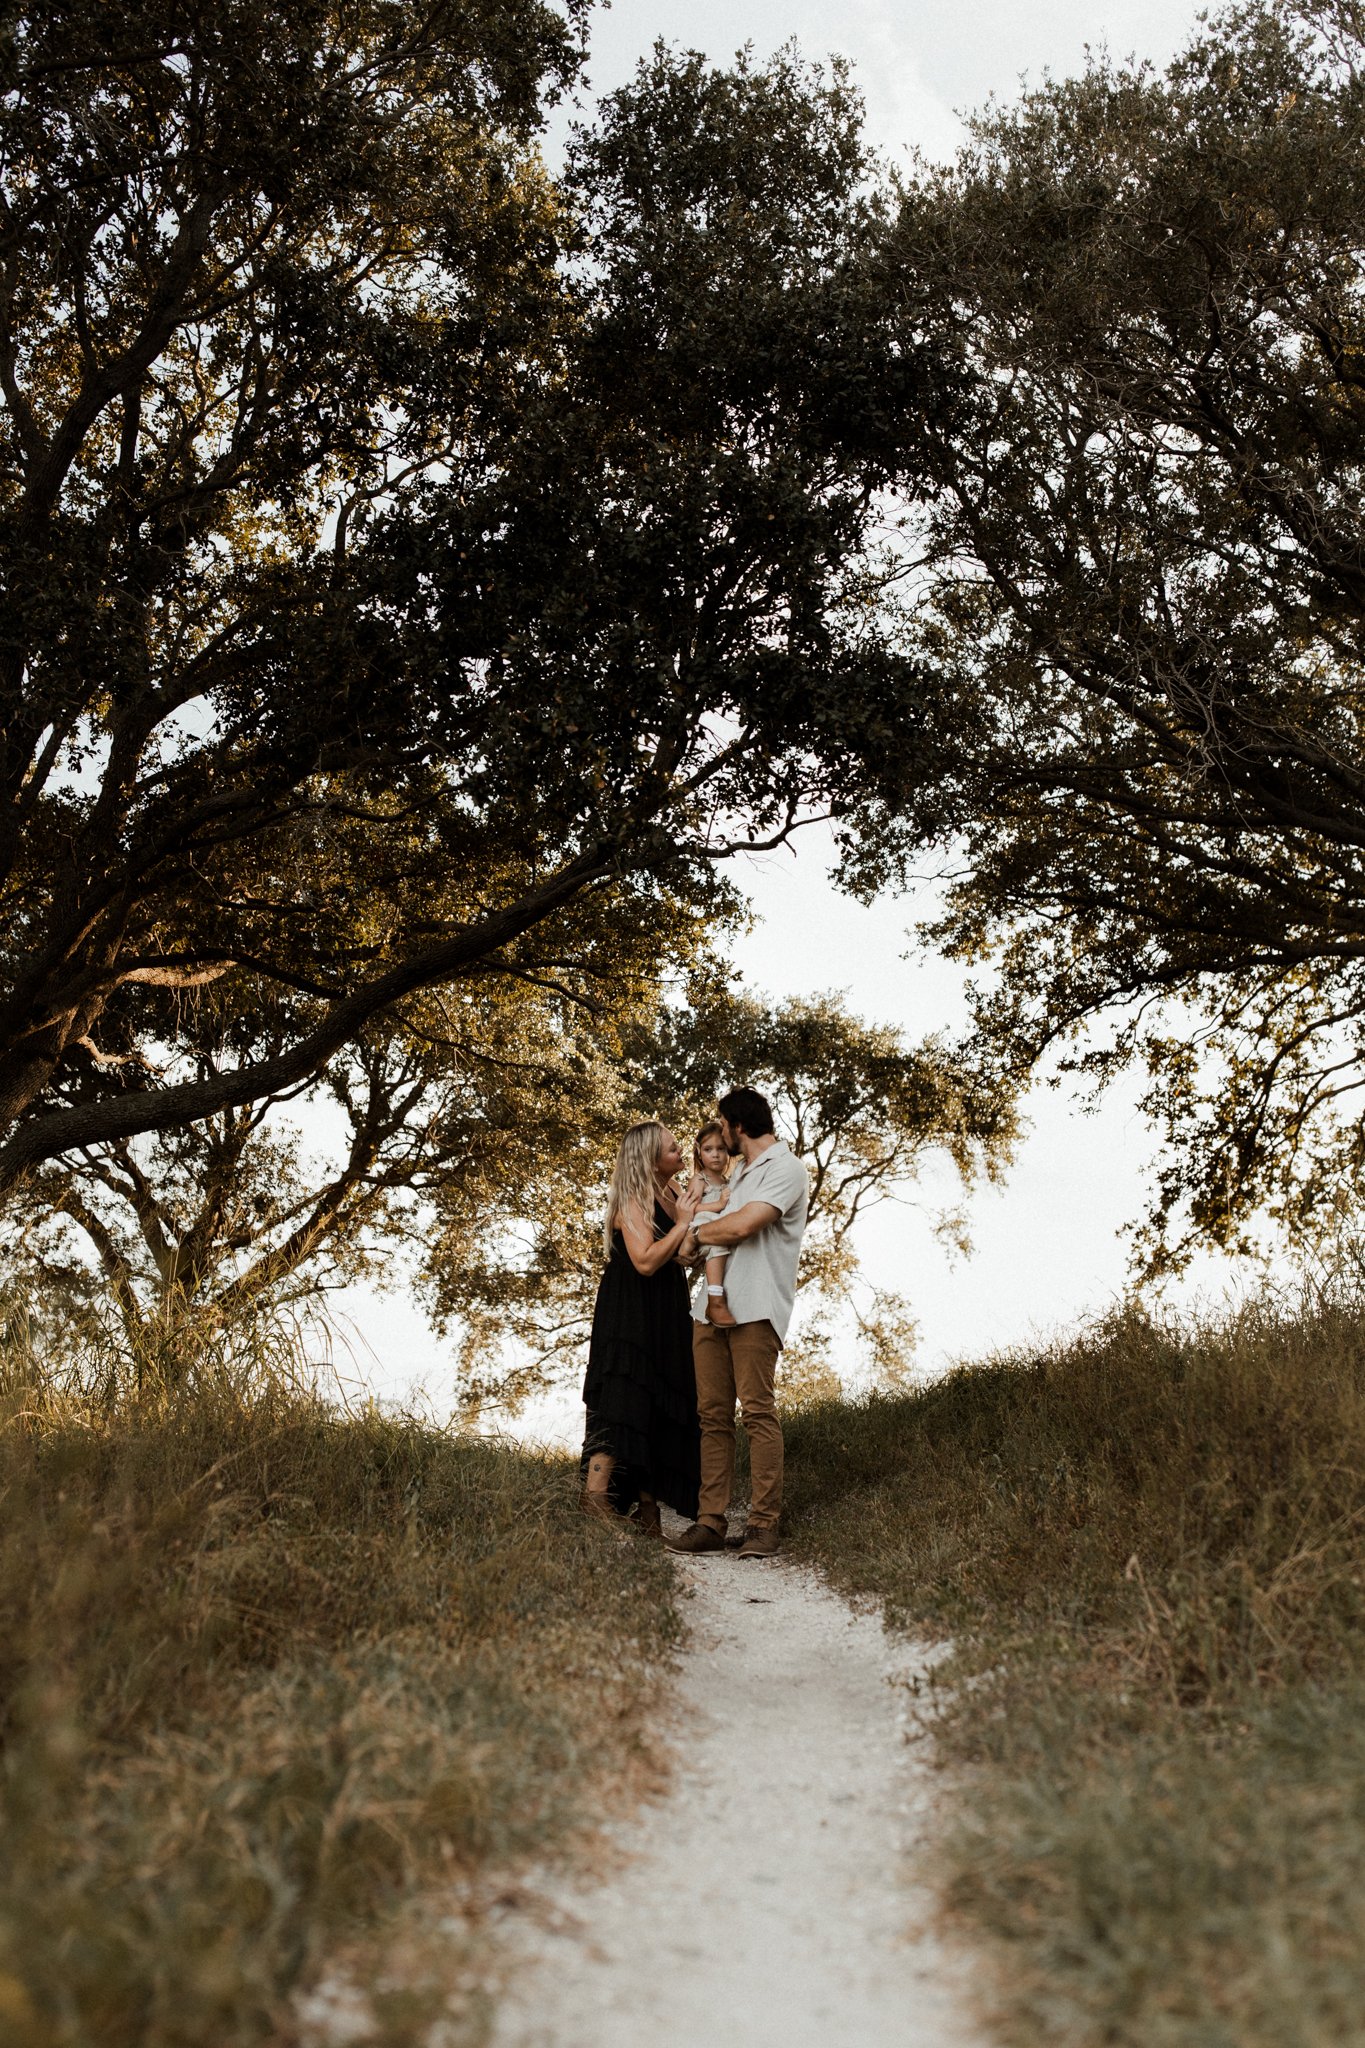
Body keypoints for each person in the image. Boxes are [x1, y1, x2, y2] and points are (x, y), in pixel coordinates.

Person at [669, 1086, 810, 1559]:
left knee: (757, 1413)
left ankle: (763, 1526)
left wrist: (693, 1234)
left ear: (736, 1125)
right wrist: (696, 1240)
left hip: (755, 1307)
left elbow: (744, 1225)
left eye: (721, 1125)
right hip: (708, 1313)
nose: (719, 1134)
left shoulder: (785, 1169)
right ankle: (710, 1522)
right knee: (711, 1417)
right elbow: (712, 1235)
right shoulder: (740, 1172)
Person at [580, 1121, 703, 1537]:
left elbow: (676, 1253)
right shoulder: (634, 1197)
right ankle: (594, 1498)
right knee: (623, 1397)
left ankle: (649, 1512)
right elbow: (646, 1261)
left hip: (664, 1308)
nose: (680, 1152)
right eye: (672, 1149)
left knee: (657, 1400)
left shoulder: (671, 1194)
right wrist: (683, 1225)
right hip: (631, 1307)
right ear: (651, 1158)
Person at [686, 1120, 735, 1326]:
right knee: (718, 1242)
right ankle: (715, 1300)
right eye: (708, 1149)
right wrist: (719, 1203)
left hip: (717, 1223)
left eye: (721, 1149)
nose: (715, 1154)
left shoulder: (726, 1181)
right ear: (699, 1152)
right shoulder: (699, 1180)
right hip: (701, 1224)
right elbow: (691, 1209)